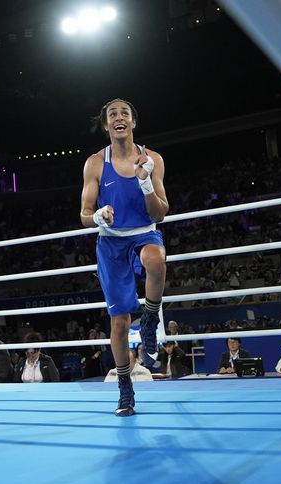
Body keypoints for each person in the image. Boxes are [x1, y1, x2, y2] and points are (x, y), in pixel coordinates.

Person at [80, 98, 168, 416]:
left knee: (156, 260)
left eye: (125, 113)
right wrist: (99, 217)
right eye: (113, 114)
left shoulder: (152, 159)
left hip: (144, 231)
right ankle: (125, 388)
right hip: (111, 243)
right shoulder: (94, 163)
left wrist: (145, 182)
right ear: (107, 125)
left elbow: (161, 211)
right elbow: (84, 214)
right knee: (118, 323)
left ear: (133, 123)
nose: (119, 117)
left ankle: (149, 319)